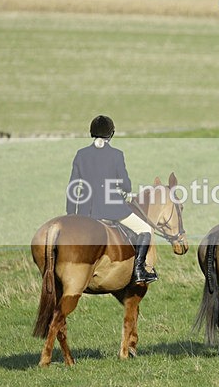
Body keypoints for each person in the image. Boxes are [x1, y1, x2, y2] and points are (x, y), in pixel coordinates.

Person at [66, 115, 156, 284]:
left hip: (86, 212)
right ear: (111, 134)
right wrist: (124, 189)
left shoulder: (81, 155)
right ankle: (139, 270)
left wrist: (72, 214)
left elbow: (72, 187)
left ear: (92, 133)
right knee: (145, 229)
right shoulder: (116, 155)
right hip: (112, 209)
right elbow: (126, 185)